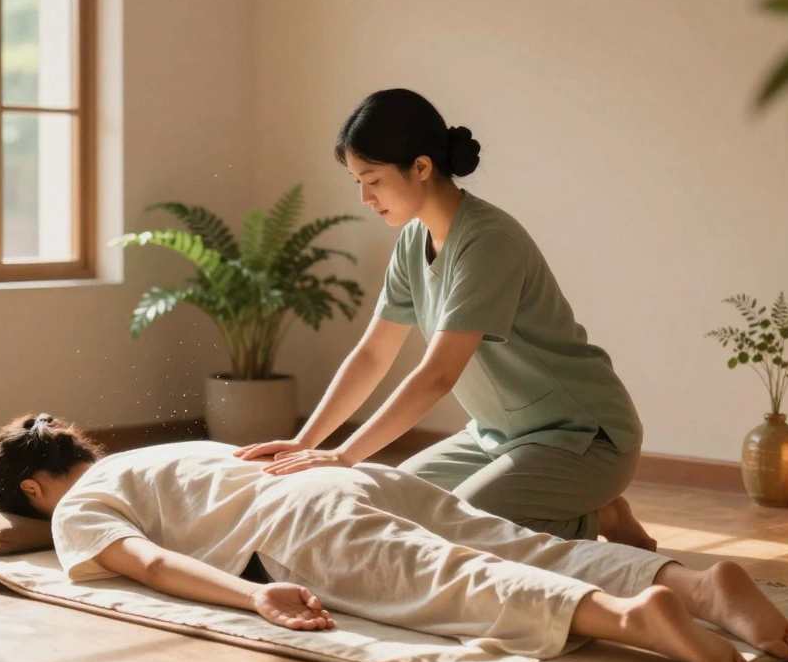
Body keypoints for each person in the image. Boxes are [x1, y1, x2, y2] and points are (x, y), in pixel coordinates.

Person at [0, 414, 788, 662]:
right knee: (517, 542)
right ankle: (691, 582)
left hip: (298, 524)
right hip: (357, 479)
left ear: (36, 489)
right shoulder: (152, 454)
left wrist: (254, 594)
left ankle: (627, 617)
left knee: (456, 581)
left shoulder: (72, 508)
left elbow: (150, 566)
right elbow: (258, 459)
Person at [235, 88, 655, 550]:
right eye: (357, 181)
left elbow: (437, 375)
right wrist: (307, 443)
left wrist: (343, 454)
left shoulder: (488, 242)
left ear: (420, 167)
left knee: (455, 527)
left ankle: (596, 516)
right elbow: (374, 354)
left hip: (582, 439)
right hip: (496, 437)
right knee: (385, 506)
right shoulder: (414, 241)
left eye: (372, 179)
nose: (364, 197)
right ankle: (579, 508)